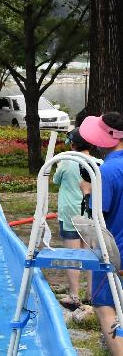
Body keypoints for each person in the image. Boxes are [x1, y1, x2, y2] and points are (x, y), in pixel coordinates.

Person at [79, 112, 123, 355]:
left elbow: (98, 214)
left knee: (105, 305)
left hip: (115, 251)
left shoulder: (107, 172)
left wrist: (87, 192)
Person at [53, 128, 94, 309]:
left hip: (70, 213)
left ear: (72, 144)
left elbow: (55, 180)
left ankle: (74, 295)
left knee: (73, 256)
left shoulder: (65, 161)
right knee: (90, 255)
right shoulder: (97, 162)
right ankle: (92, 294)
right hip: (90, 214)